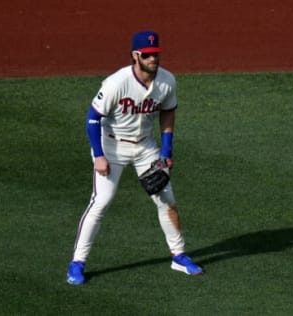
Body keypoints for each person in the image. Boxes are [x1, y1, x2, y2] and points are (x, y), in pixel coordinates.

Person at [66, 30, 203, 285]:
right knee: (101, 202)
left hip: (146, 148)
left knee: (167, 201)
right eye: (148, 55)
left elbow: (168, 113)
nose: (153, 59)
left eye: (156, 54)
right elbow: (92, 118)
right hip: (111, 147)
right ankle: (77, 262)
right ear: (135, 56)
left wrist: (165, 152)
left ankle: (179, 255)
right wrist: (98, 155)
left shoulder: (167, 81)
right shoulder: (116, 83)